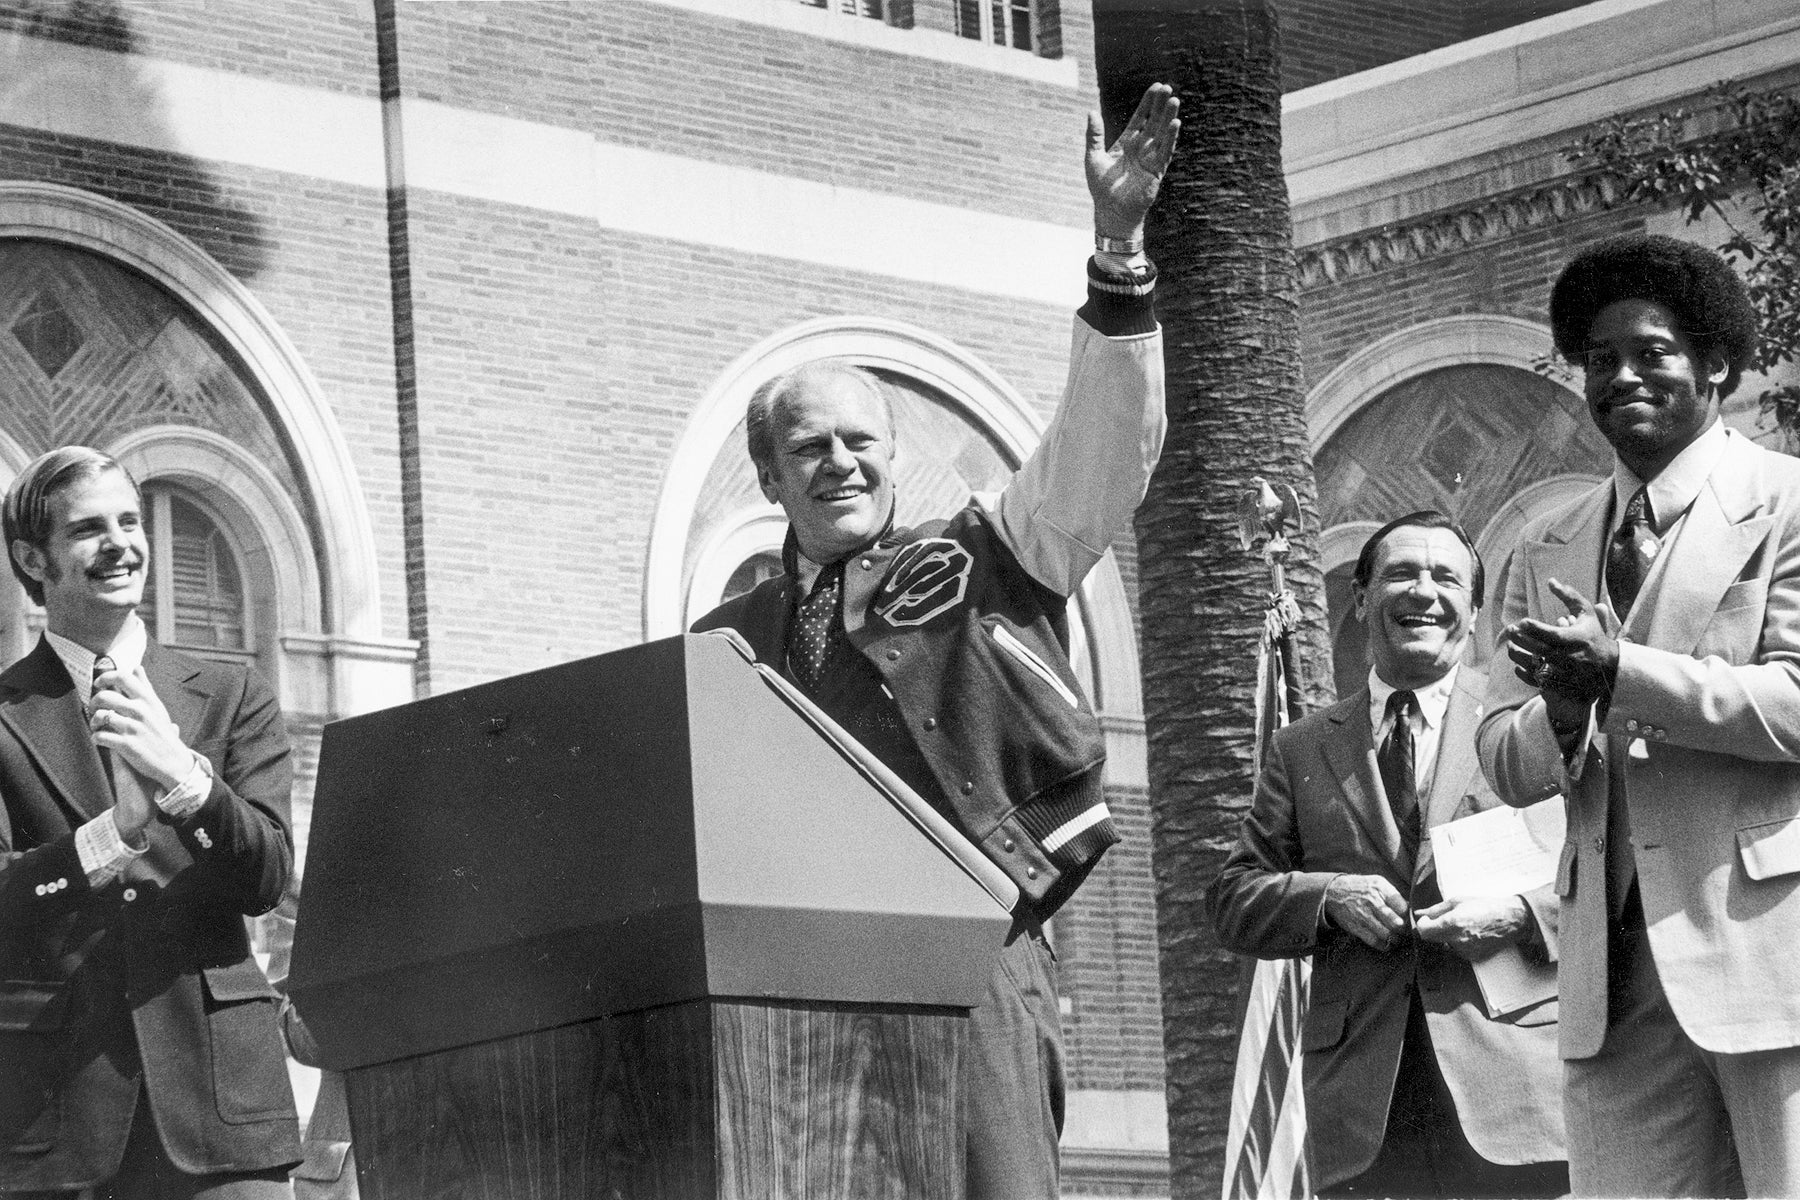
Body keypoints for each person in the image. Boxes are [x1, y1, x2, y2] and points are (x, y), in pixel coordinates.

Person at [692, 84, 1178, 1198]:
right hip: (796, 981)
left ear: (894, 454)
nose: (840, 464)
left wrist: (1117, 254)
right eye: (808, 447)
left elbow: (1099, 460)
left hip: (976, 948)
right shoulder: (724, 639)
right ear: (768, 474)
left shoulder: (982, 554)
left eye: (862, 440)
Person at [1480, 232, 1800, 1198]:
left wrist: (1627, 673)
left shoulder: (1786, 503)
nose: (1623, 376)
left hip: (1765, 955)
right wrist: (1567, 713)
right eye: (1600, 360)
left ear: (1717, 365)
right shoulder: (1549, 541)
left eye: (1652, 352)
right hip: (1607, 982)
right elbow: (1503, 754)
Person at [1207, 512, 1567, 1198]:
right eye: (1402, 573)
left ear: (1475, 607)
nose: (1424, 592)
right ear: (1362, 597)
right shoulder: (1304, 747)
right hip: (1360, 1113)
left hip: (1517, 1097)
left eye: (1446, 577)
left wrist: (1521, 915)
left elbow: (1606, 870)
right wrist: (1326, 897)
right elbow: (1233, 898)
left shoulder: (1531, 724)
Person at [0, 447, 300, 1198]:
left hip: (223, 1114)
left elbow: (267, 876)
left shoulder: (235, 694)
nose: (122, 545)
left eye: (131, 521)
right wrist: (107, 838)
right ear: (33, 559)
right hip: (51, 1123)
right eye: (90, 529)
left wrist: (187, 782)